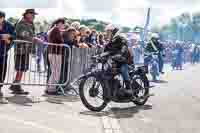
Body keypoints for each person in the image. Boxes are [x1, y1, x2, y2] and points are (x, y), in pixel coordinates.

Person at [9, 9, 43, 95]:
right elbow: (24, 34)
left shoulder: (30, 24)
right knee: (20, 68)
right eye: (32, 14)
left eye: (34, 14)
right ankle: (16, 85)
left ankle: (16, 84)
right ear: (26, 14)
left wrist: (36, 37)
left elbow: (32, 34)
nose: (33, 16)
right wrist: (35, 39)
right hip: (21, 49)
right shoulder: (21, 23)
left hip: (26, 49)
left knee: (23, 68)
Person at [104, 24, 133, 96]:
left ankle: (129, 88)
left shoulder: (121, 38)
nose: (107, 33)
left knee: (123, 69)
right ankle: (117, 88)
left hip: (125, 61)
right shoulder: (110, 42)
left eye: (108, 32)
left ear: (113, 31)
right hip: (116, 63)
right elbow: (105, 51)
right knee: (108, 72)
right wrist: (98, 56)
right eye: (106, 32)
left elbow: (124, 47)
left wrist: (120, 54)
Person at [45, 18, 65, 95]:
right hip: (55, 53)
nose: (63, 26)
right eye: (63, 24)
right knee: (56, 72)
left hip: (53, 52)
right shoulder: (56, 29)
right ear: (59, 23)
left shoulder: (53, 29)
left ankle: (49, 88)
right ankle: (51, 89)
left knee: (54, 71)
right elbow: (60, 41)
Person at [0, 11, 16, 103]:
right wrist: (2, 36)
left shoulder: (9, 25)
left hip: (3, 52)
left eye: (1, 18)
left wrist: (9, 37)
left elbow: (14, 35)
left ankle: (0, 90)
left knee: (2, 71)